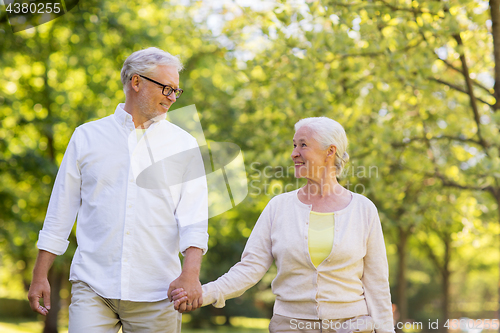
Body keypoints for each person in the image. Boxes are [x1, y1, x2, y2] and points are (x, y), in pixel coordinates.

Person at [27, 47, 209, 333]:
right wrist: (40, 275)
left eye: (177, 90)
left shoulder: (184, 145)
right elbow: (60, 211)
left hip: (158, 293)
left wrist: (190, 274)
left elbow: (194, 219)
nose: (173, 97)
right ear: (136, 82)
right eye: (166, 88)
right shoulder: (86, 137)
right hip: (93, 287)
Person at [172, 117, 395, 333]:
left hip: (351, 325)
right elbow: (250, 268)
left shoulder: (364, 210)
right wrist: (204, 293)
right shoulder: (278, 207)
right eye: (294, 145)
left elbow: (377, 284)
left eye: (303, 145)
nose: (294, 153)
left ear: (330, 151)